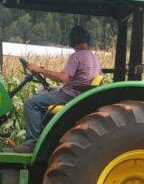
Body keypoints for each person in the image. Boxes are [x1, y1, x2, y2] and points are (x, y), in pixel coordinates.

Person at [14, 25, 101, 153]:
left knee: (31, 103)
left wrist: (39, 70)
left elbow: (63, 78)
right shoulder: (93, 57)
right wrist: (43, 72)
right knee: (42, 91)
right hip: (80, 93)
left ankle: (31, 143)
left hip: (71, 95)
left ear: (72, 41)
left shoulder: (76, 56)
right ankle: (43, 137)